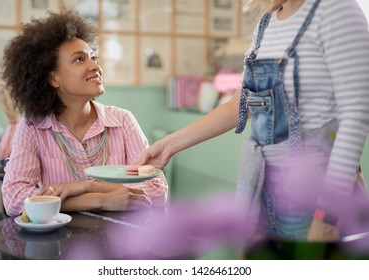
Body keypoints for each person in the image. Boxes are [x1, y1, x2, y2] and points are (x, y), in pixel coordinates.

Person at [128, 0, 369, 242]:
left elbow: (356, 116)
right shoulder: (266, 25)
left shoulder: (336, 9)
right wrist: (169, 145)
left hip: (318, 195)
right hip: (264, 186)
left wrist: (327, 217)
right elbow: (240, 104)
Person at [1, 9, 168, 217]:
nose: (95, 66)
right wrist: (101, 200)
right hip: (61, 244)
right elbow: (14, 199)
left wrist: (85, 187)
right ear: (53, 78)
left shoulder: (123, 120)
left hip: (123, 240)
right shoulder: (32, 127)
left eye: (93, 57)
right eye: (80, 60)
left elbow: (157, 190)